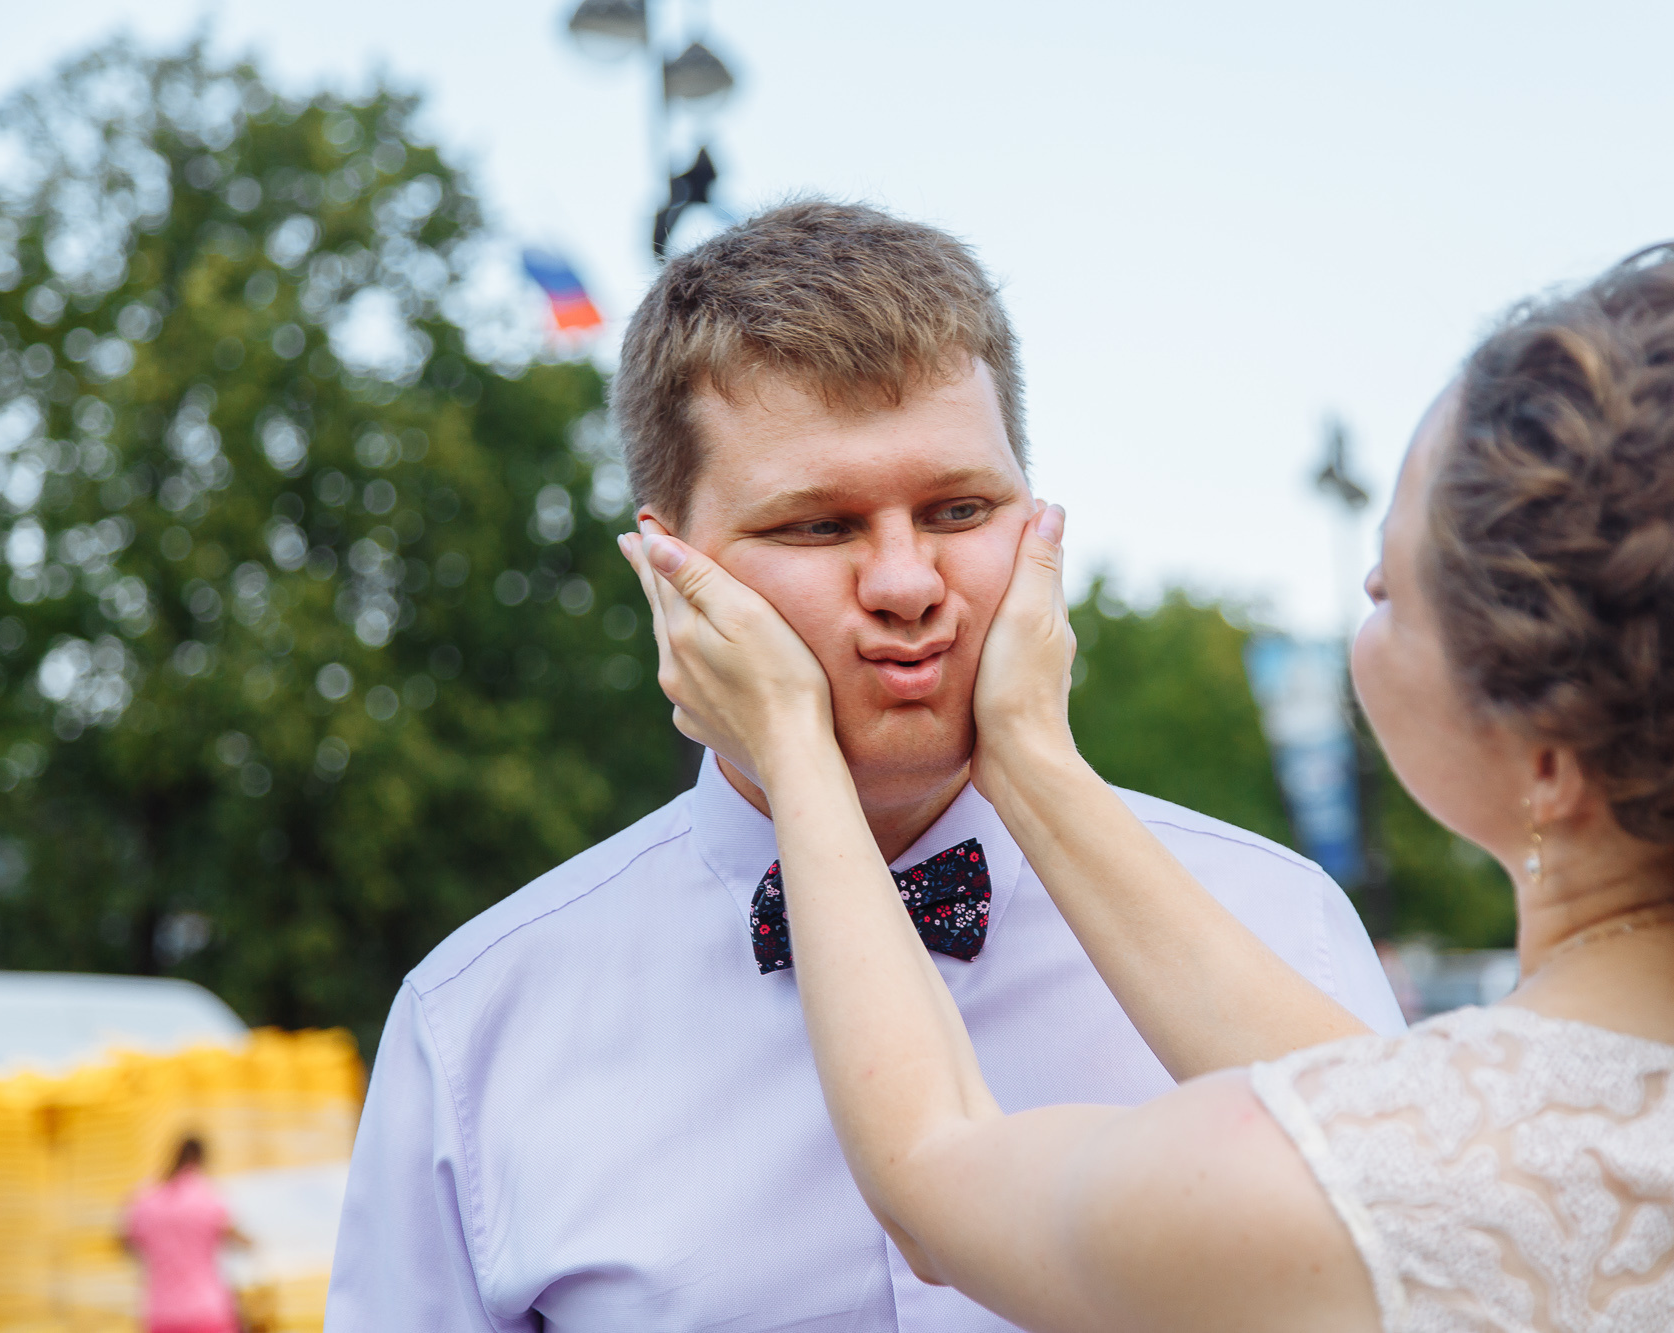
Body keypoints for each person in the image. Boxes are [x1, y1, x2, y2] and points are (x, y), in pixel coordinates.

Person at [625, 240, 1674, 1332]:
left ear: (1547, 757)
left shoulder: (1341, 1184)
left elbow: (932, 1166)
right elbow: (1423, 1164)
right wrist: (1027, 753)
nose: (1362, 594)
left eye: (1395, 584)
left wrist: (795, 743)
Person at [325, 201, 1403, 1330]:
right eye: (817, 526)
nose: (904, 582)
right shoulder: (478, 1021)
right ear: (667, 571)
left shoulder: (1282, 923)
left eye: (958, 508)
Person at [121, 1136, 248, 1333]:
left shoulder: (146, 1200)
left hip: (162, 1313)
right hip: (207, 1310)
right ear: (201, 1159)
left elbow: (125, 1242)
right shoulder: (207, 1197)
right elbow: (238, 1238)